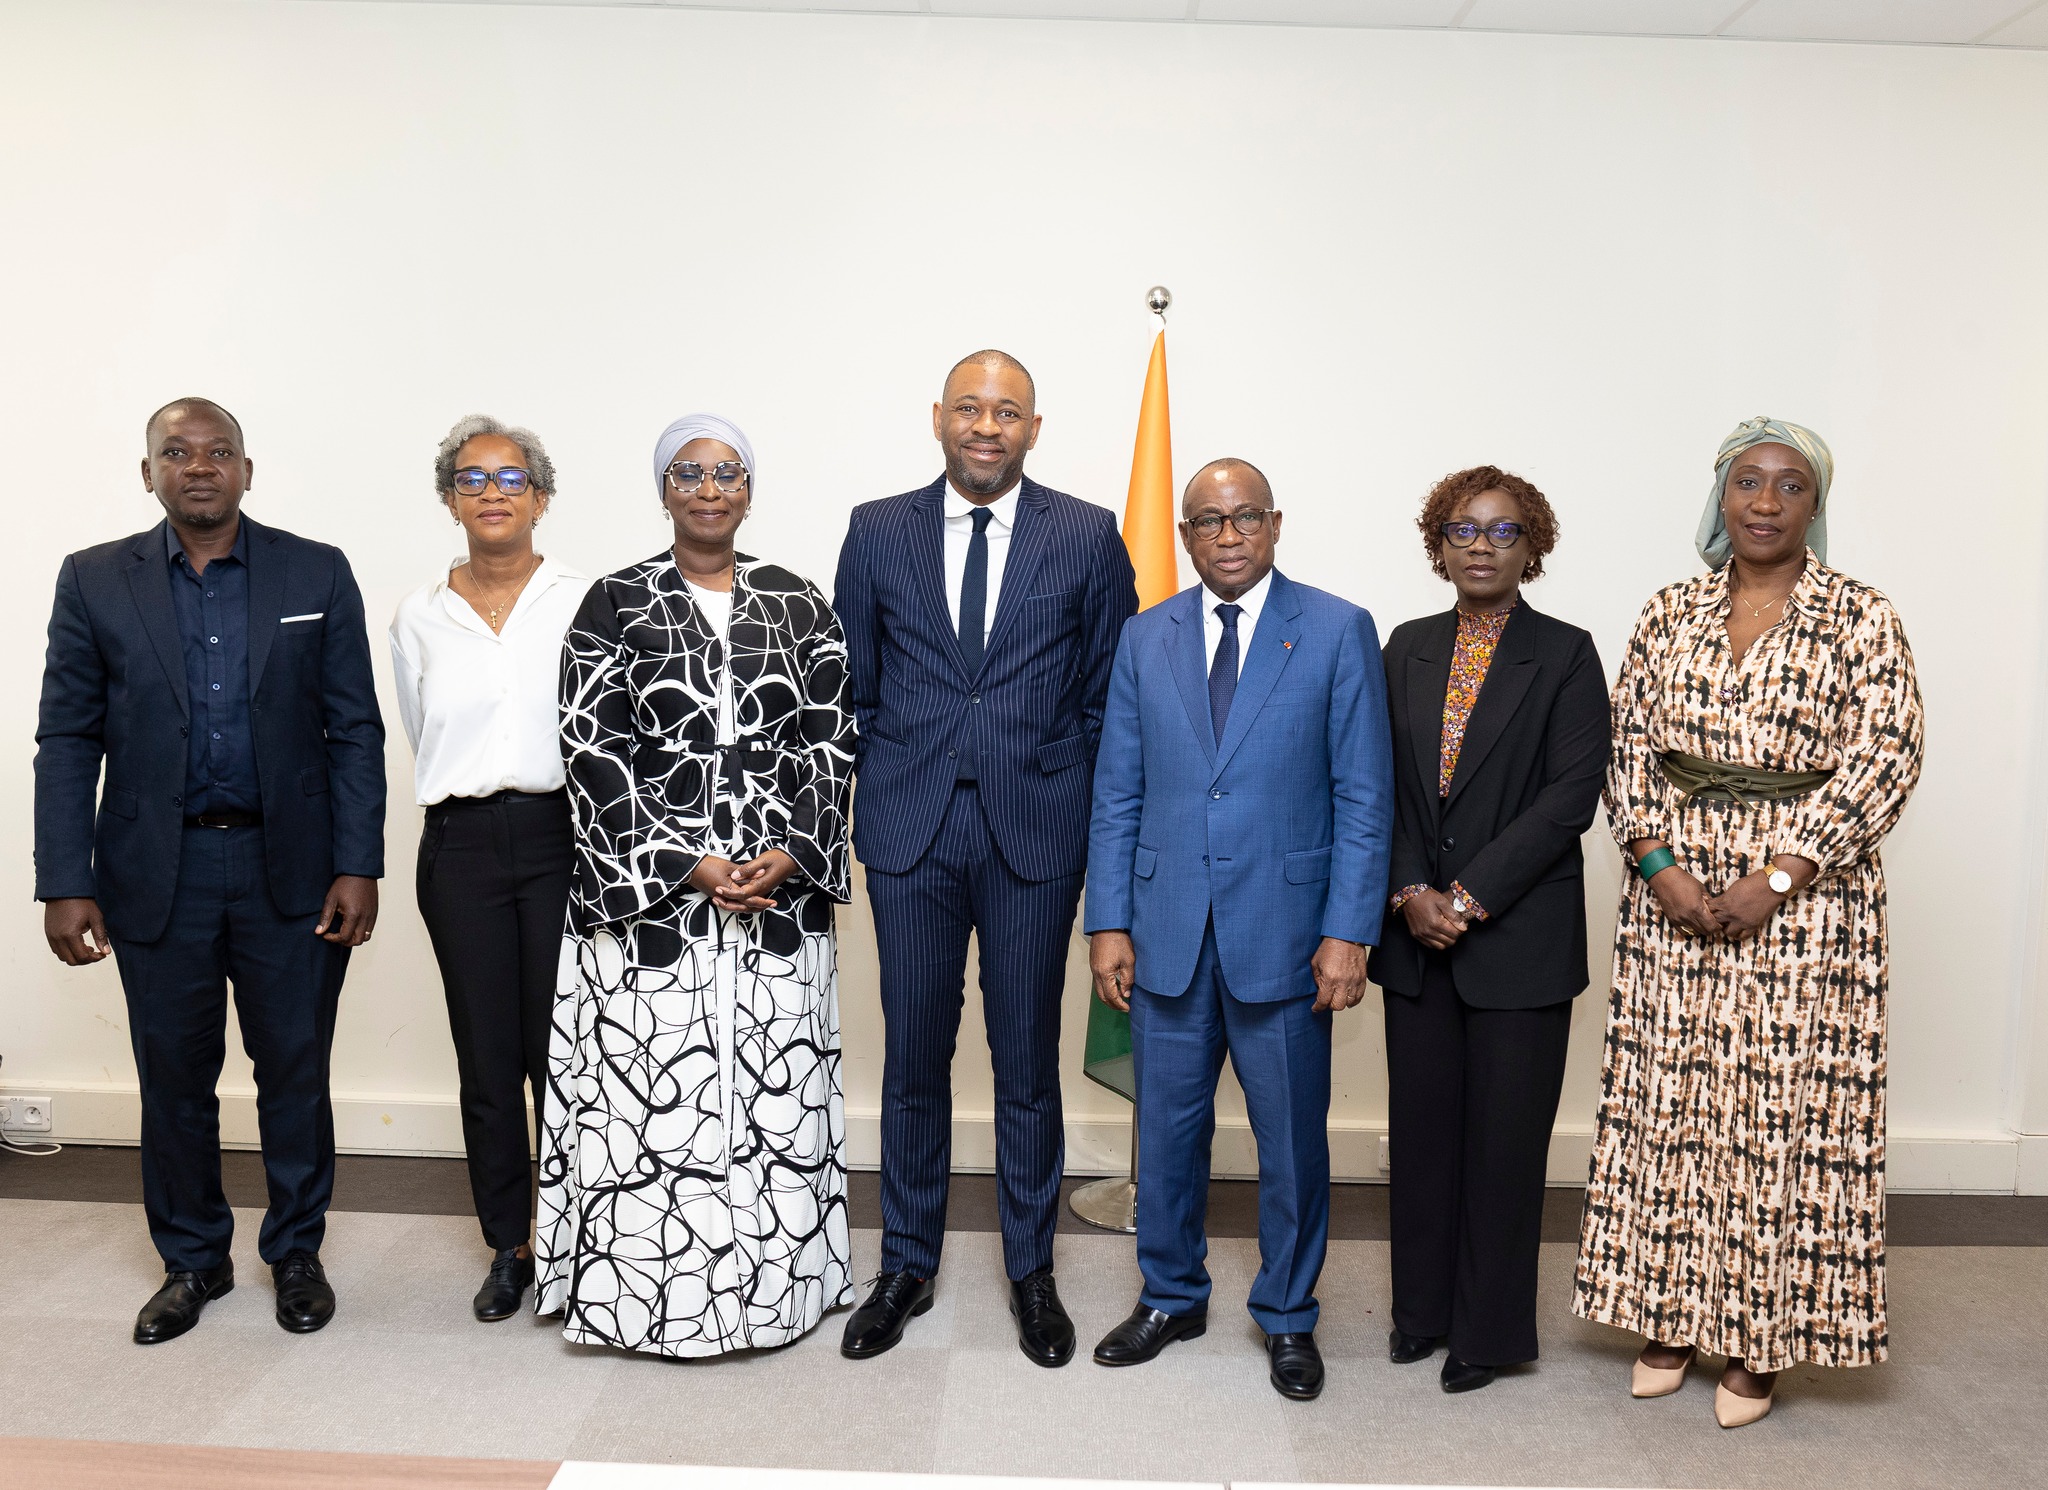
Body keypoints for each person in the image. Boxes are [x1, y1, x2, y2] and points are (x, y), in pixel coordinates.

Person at [1573, 417, 1924, 1428]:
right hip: (1669, 897)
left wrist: (1777, 872)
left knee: (1782, 1116)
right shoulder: (1668, 609)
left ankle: (1757, 1337)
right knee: (1668, 1106)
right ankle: (1666, 1312)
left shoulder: (1859, 616)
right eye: (1745, 482)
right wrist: (1655, 862)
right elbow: (1624, 744)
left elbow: (1885, 755)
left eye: (1787, 486)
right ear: (1717, 496)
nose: (1763, 502)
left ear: (1815, 505)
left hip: (1810, 904)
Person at [35, 397, 385, 1344]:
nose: (199, 466)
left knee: (295, 1070)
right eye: (176, 453)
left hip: (295, 869)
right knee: (174, 1078)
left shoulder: (316, 570)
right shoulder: (95, 580)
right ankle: (193, 1261)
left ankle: (296, 1253)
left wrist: (359, 863)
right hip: (158, 869)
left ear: (246, 469)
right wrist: (65, 878)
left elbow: (353, 729)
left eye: (218, 451)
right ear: (146, 472)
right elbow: (67, 738)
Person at [832, 350, 1137, 1367]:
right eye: (969, 407)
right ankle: (906, 1263)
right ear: (937, 418)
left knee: (1024, 1064)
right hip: (910, 833)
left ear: (1033, 429)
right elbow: (854, 692)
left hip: (1033, 834)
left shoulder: (1088, 534)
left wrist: (1073, 806)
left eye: (1006, 411)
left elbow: (1109, 700)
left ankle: (1030, 1270)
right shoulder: (876, 530)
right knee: (913, 1056)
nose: (985, 425)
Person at [534, 413, 856, 1357]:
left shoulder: (799, 603)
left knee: (772, 1091)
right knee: (652, 1099)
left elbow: (833, 741)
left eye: (727, 472)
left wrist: (794, 849)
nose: (710, 488)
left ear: (749, 490)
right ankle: (649, 1297)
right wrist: (685, 862)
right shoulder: (614, 603)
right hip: (652, 904)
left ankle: (778, 1292)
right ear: (663, 490)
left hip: (775, 896)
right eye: (690, 473)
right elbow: (590, 748)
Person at [1085, 458, 1393, 1402]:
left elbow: (1363, 796)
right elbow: (1118, 792)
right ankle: (1171, 1294)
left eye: (1244, 517)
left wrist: (1348, 932)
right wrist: (1109, 923)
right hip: (1168, 928)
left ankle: (1289, 1315)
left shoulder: (1337, 631)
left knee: (1292, 1139)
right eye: (1207, 521)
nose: (1226, 535)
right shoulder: (1146, 637)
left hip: (1289, 934)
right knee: (1168, 1136)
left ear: (1274, 525)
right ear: (1185, 535)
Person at [1370, 467, 1609, 1393]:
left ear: (1531, 549)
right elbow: (1374, 781)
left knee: (1506, 1147)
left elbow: (1567, 802)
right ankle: (1420, 1314)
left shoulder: (1568, 654)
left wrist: (1464, 899)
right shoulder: (1404, 647)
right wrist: (1406, 892)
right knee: (1422, 1137)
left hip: (1517, 940)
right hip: (1413, 933)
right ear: (1439, 544)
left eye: (1502, 532)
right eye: (1463, 529)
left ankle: (1491, 1330)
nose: (1480, 545)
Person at [389, 415, 588, 1322]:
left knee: (568, 1052)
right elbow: (419, 728)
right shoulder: (418, 616)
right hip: (462, 845)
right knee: (486, 1056)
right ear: (449, 501)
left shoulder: (587, 602)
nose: (493, 494)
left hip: (564, 841)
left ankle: (586, 1240)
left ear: (540, 498)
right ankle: (510, 1243)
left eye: (511, 480)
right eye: (473, 480)